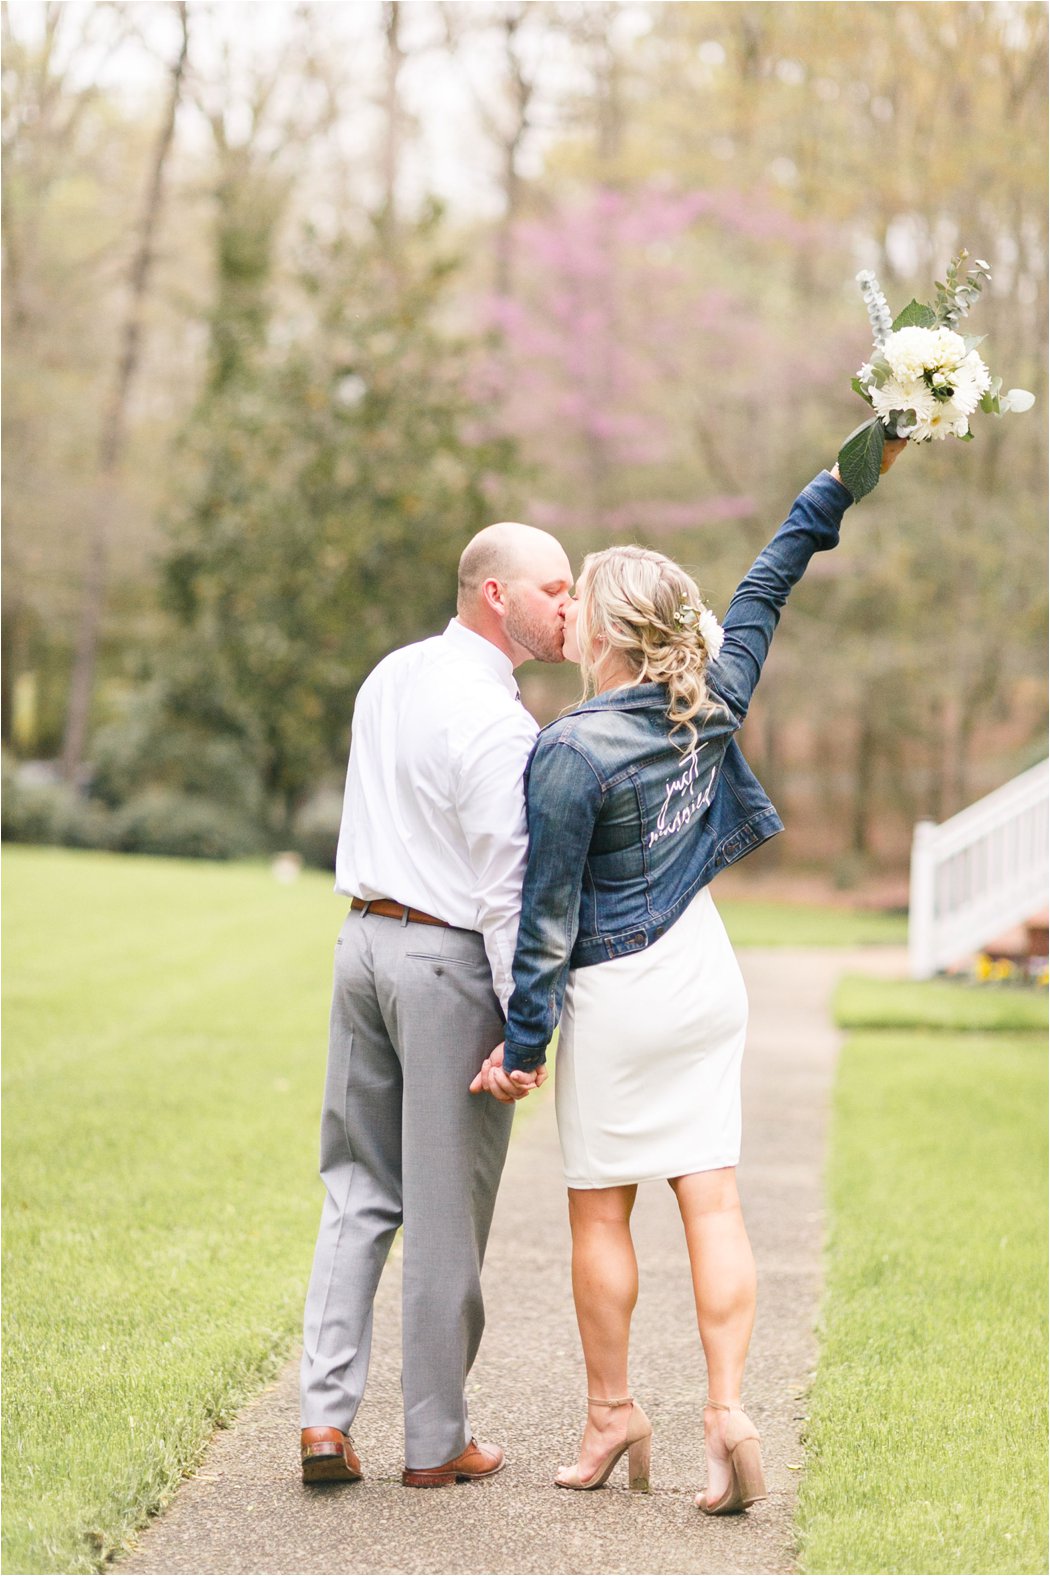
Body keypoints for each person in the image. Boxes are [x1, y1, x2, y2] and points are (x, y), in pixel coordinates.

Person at [471, 444, 905, 1511]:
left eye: (584, 602)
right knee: (712, 1202)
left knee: (600, 1213)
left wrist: (525, 1047)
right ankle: (727, 1412)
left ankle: (613, 1414)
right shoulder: (710, 699)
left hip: (621, 996)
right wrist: (851, 472)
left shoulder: (566, 751)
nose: (567, 611)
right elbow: (771, 575)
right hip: (707, 980)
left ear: (611, 633)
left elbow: (547, 920)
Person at [299, 521, 574, 1488]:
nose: (569, 607)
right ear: (496, 595)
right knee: (446, 1210)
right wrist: (523, 1028)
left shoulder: (392, 673)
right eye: (555, 588)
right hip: (444, 966)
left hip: (360, 947)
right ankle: (435, 1441)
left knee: (356, 1190)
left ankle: (322, 1423)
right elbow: (506, 894)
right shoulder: (500, 724)